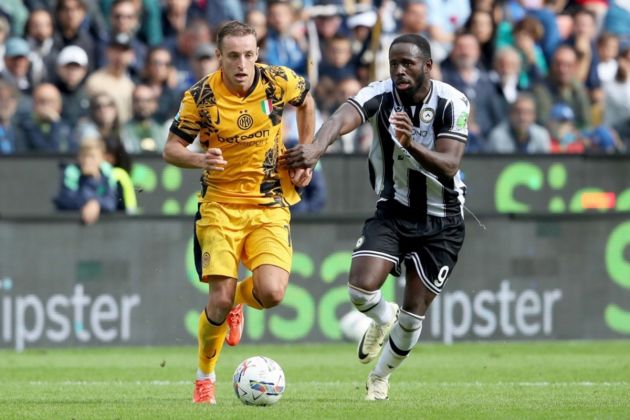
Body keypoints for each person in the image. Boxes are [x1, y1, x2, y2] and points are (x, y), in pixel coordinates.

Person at [282, 33, 468, 401]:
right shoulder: (380, 94)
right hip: (394, 209)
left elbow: (450, 164)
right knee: (360, 287)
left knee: (415, 315)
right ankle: (385, 317)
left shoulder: (453, 102)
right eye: (394, 63)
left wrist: (411, 141)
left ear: (427, 66)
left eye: (408, 64)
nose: (399, 70)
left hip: (443, 219)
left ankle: (380, 378)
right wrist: (316, 149)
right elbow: (340, 119)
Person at [162, 20, 315, 405]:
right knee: (218, 299)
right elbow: (170, 149)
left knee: (273, 292)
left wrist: (307, 154)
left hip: (269, 203)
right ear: (219, 57)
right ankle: (204, 378)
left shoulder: (278, 82)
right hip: (220, 207)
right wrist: (199, 159)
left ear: (257, 53)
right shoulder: (200, 97)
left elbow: (307, 101)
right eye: (233, 56)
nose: (242, 63)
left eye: (248, 54)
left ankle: (240, 304)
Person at [53, 137, 119, 225]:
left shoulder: (107, 174)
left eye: (92, 156)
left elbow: (111, 203)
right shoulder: (71, 173)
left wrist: (97, 203)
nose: (87, 161)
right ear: (78, 157)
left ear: (101, 158)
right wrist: (88, 180)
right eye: (84, 156)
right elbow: (66, 200)